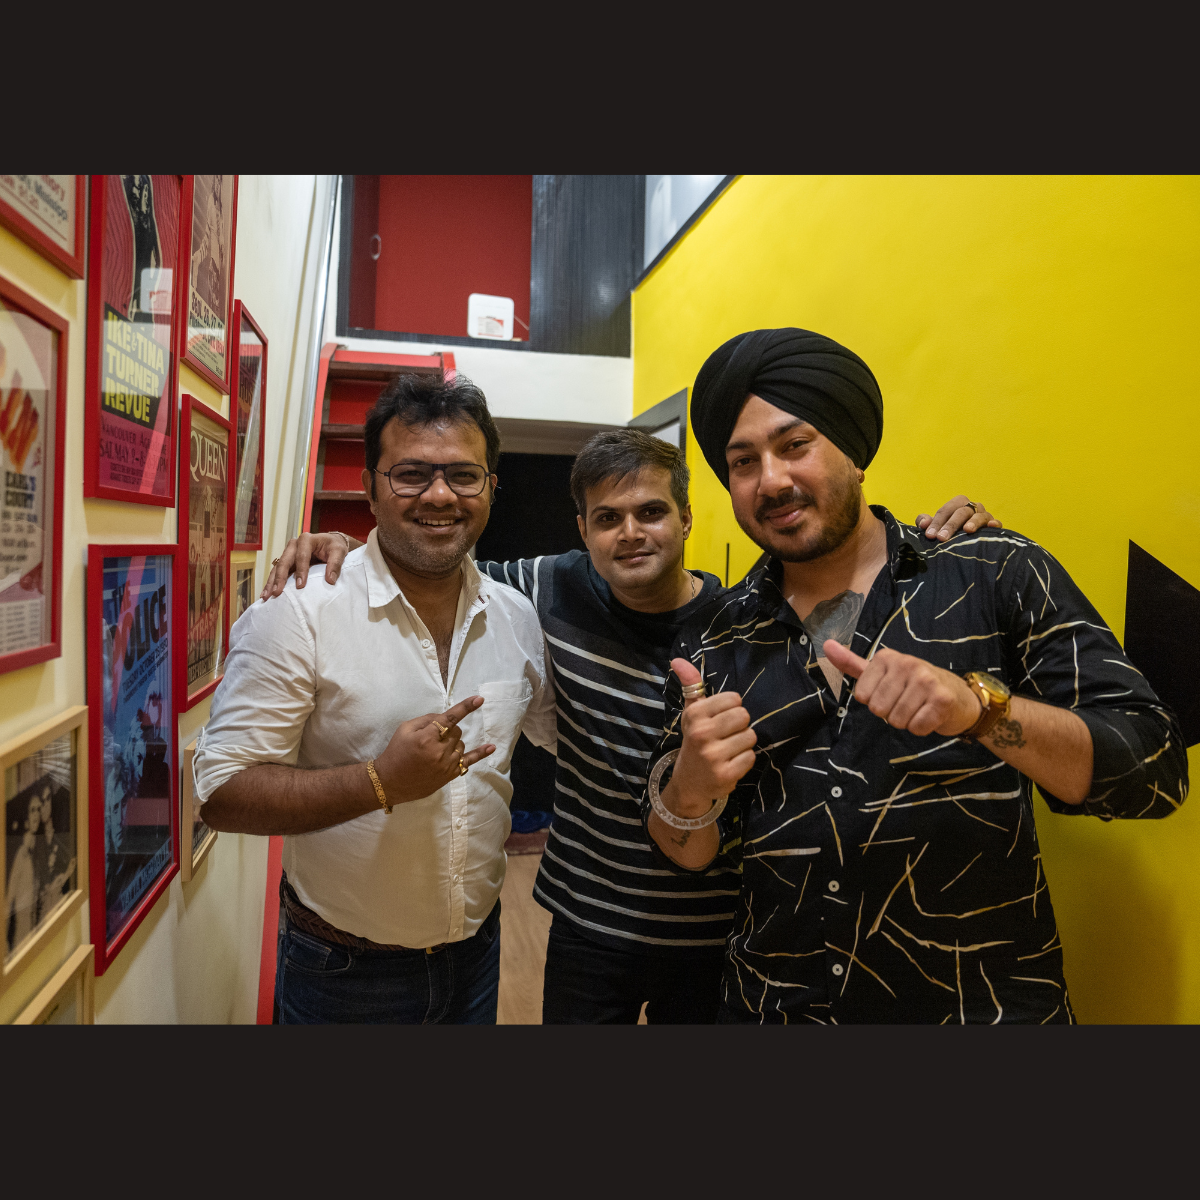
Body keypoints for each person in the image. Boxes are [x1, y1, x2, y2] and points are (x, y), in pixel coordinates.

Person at [268, 425, 1001, 1023]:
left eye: (650, 512)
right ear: (582, 530)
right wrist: (343, 550)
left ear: (686, 517)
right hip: (585, 928)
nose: (629, 534)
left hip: (716, 931)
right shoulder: (538, 590)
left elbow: (852, 577)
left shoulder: (747, 624)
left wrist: (947, 540)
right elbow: (429, 563)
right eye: (607, 519)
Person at [644, 327, 1189, 1024]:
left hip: (983, 1012)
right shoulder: (715, 640)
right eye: (743, 462)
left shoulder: (991, 572)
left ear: (854, 450)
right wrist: (689, 791)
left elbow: (1152, 770)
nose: (771, 480)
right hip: (777, 1008)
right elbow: (687, 854)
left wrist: (984, 712)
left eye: (795, 444)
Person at [194, 373, 555, 1024]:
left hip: (477, 957)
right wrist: (379, 782)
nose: (440, 495)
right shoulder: (300, 612)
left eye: (464, 476)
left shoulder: (516, 616)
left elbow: (560, 734)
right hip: (342, 975)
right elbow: (221, 791)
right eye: (411, 474)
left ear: (490, 487)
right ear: (369, 487)